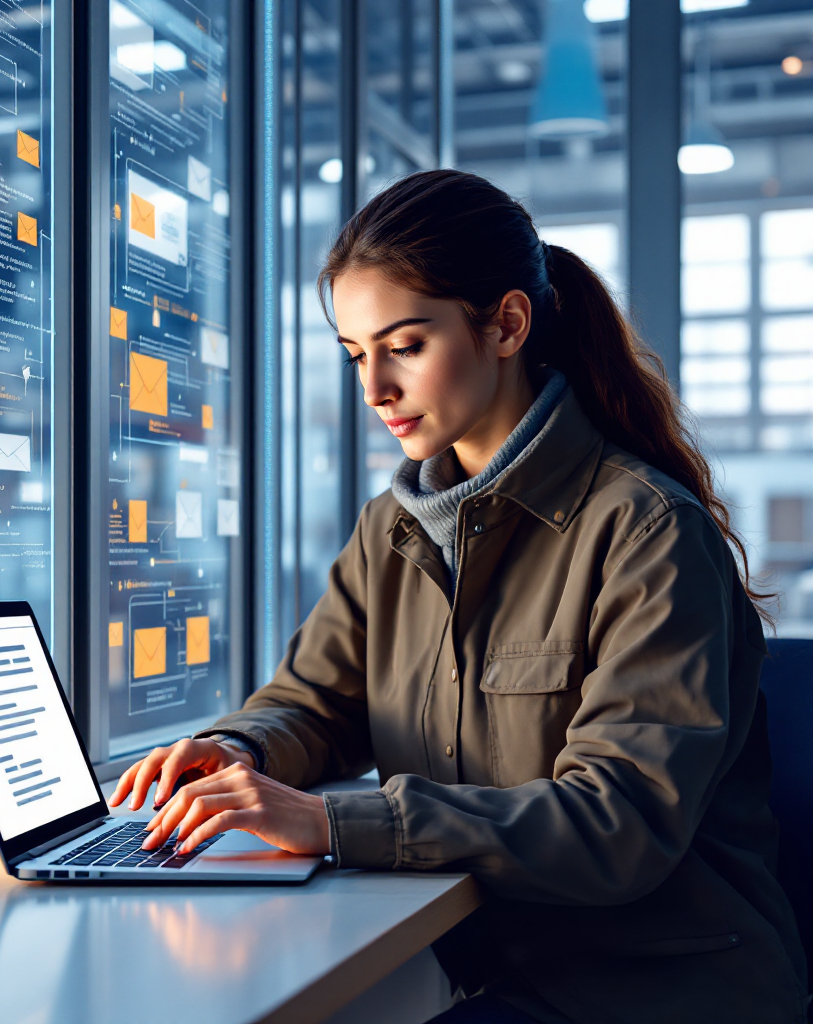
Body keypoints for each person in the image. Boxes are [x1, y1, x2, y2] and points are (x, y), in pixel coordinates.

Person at [109, 170, 807, 1023]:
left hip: (650, 992)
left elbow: (617, 826)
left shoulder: (648, 530)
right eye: (357, 354)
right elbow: (318, 703)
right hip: (493, 968)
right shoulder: (390, 529)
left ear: (506, 324)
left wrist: (331, 825)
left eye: (404, 345)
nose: (374, 391)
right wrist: (239, 752)